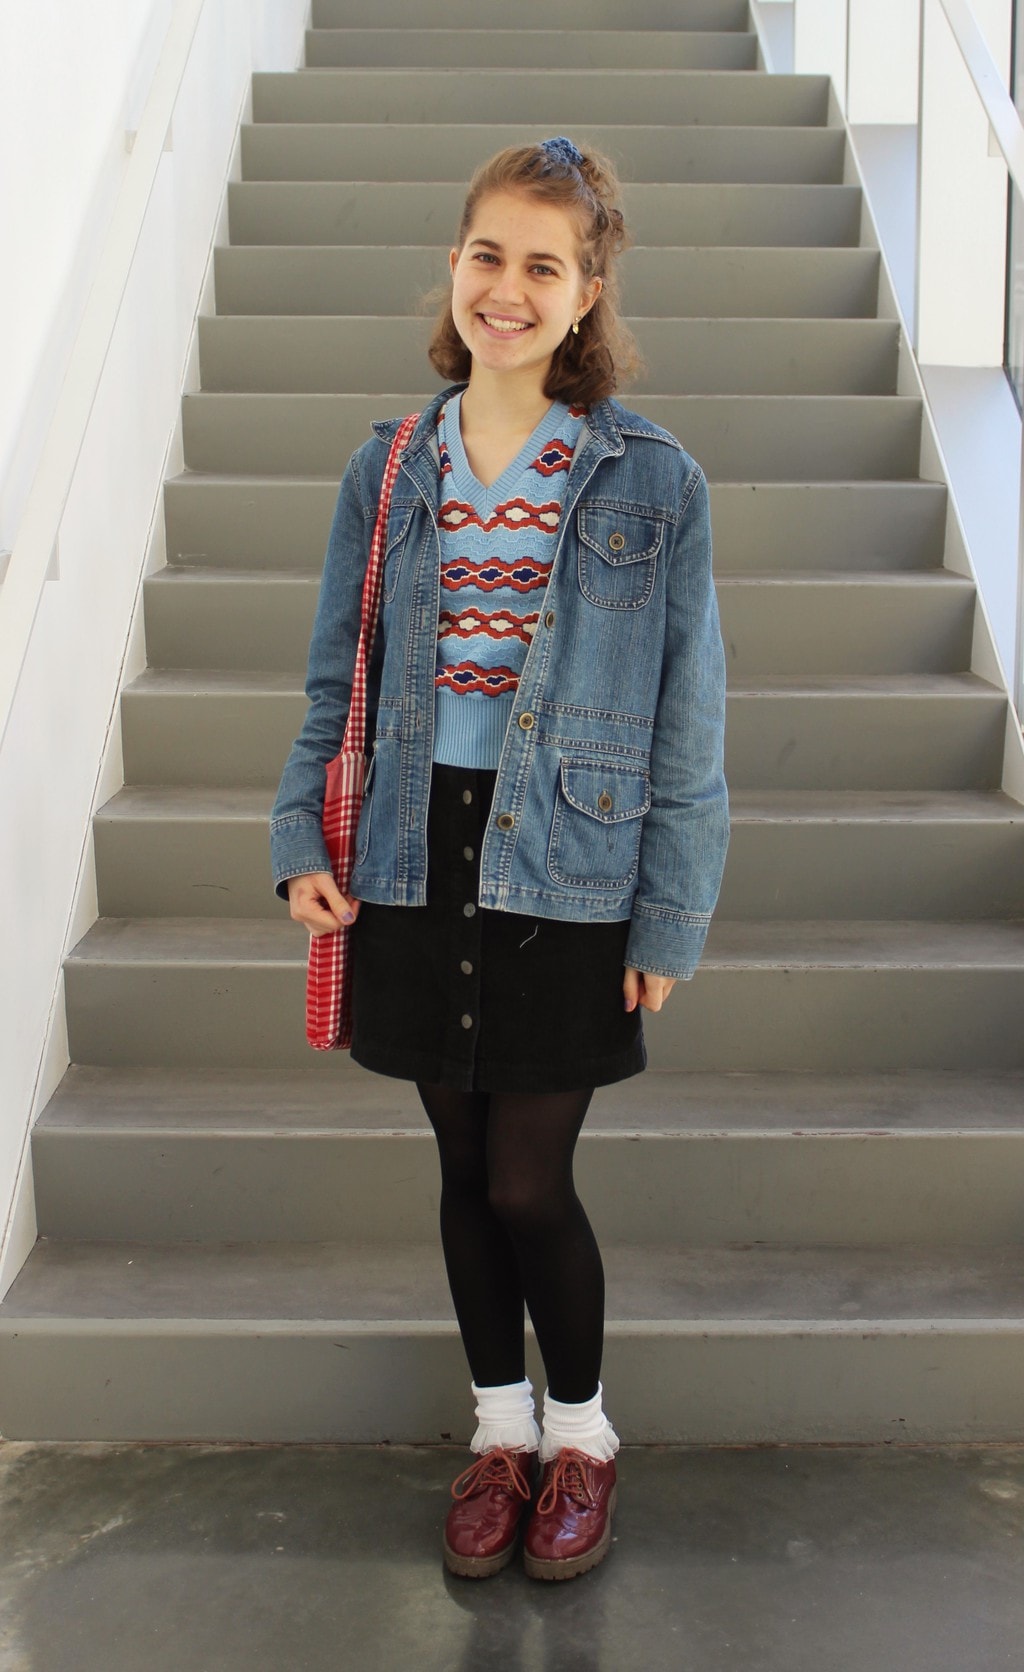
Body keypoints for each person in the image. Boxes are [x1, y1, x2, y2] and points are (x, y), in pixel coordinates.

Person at [270, 136, 729, 1582]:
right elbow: (335, 673)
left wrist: (670, 911)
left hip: (569, 869)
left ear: (589, 293)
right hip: (410, 852)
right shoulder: (389, 462)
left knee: (533, 1179)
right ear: (453, 267)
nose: (508, 288)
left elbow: (690, 715)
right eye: (488, 255)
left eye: (545, 265)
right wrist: (300, 839)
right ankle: (499, 1431)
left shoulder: (654, 482)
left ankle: (580, 1438)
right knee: (460, 1170)